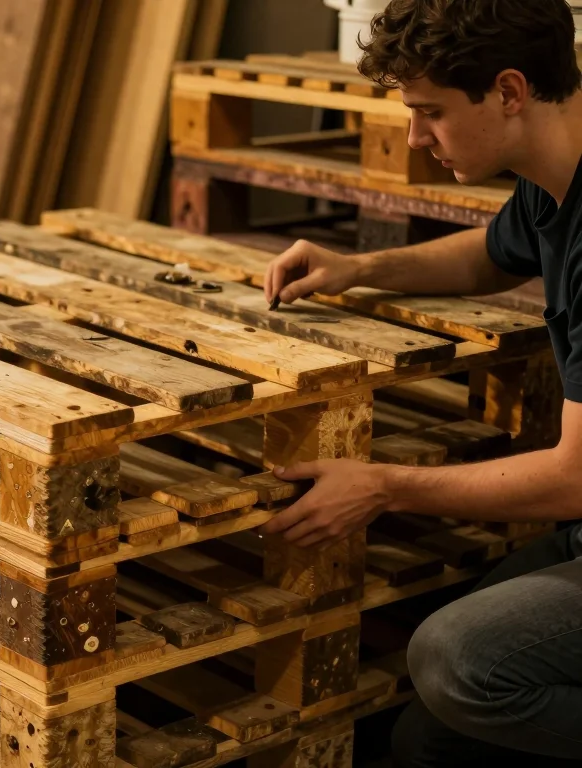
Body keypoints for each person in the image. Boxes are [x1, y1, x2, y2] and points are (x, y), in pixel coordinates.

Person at [258, 1, 582, 765]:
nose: (415, 137)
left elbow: (576, 478)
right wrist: (356, 270)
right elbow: (488, 256)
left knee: (457, 661)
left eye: (430, 112)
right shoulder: (555, 173)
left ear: (508, 92)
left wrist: (382, 486)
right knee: (426, 735)